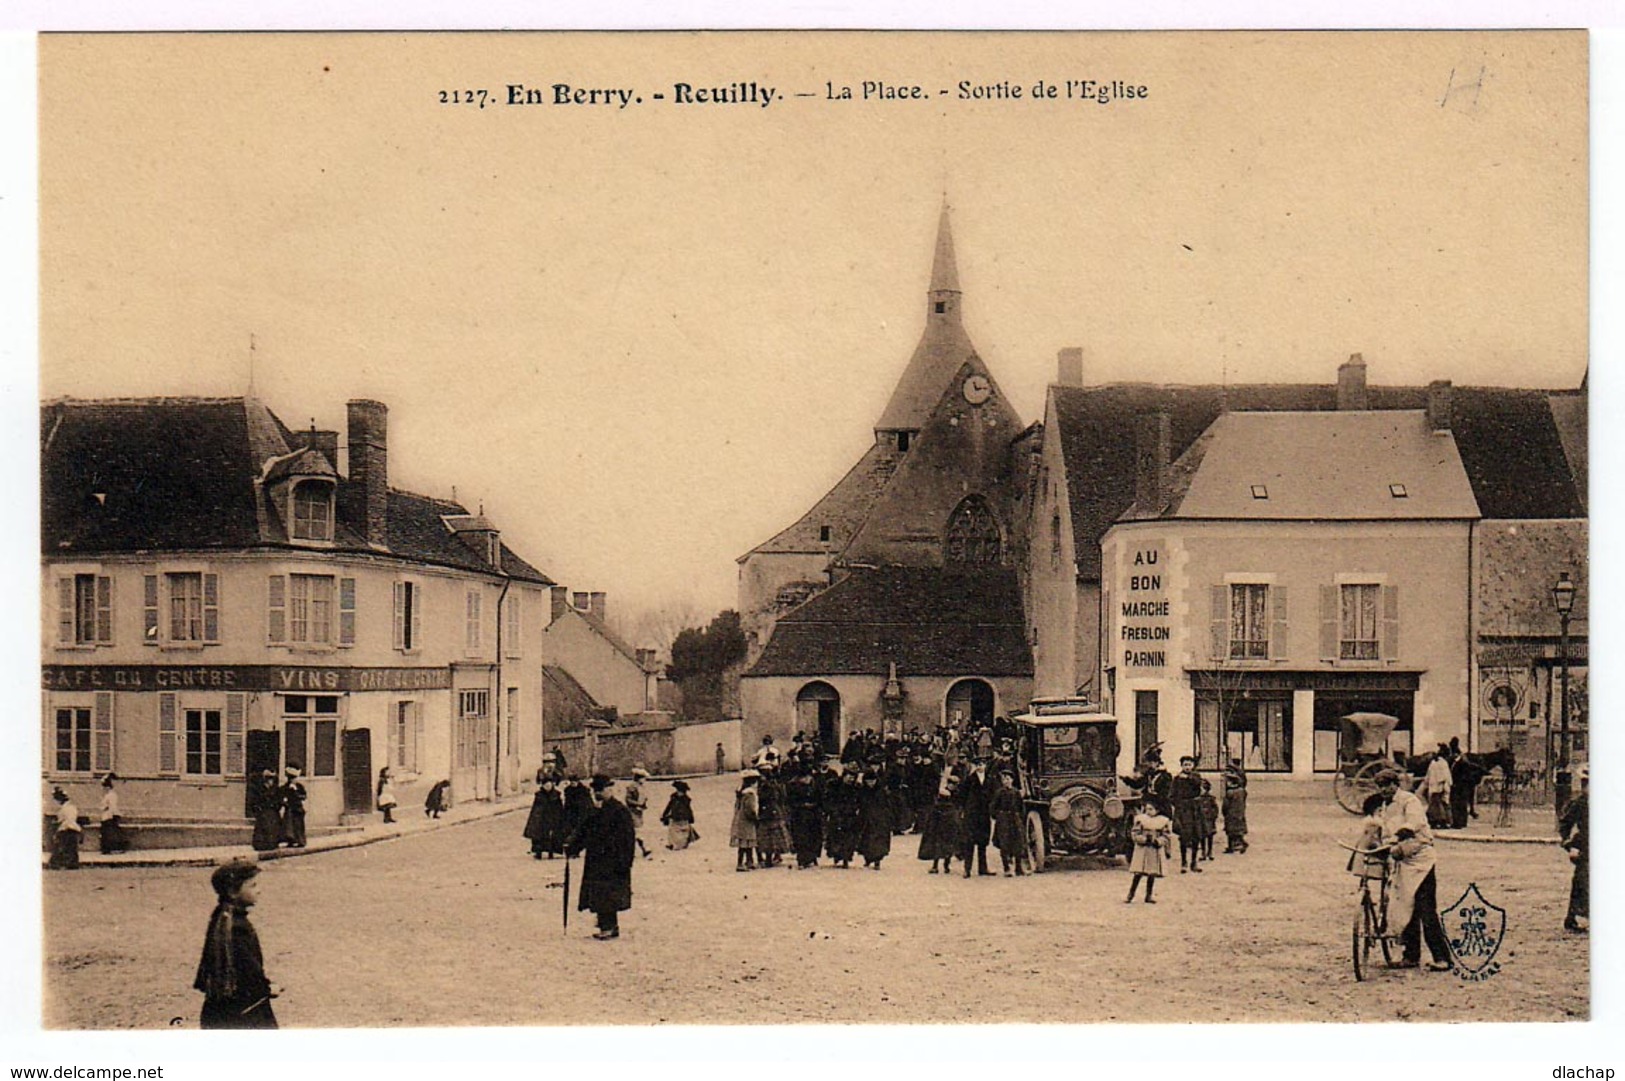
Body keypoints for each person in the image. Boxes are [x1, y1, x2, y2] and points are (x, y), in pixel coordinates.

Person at [1375, 769, 1453, 971]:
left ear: (1395, 784)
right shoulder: (1386, 807)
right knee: (1407, 908)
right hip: (1404, 861)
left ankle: (1442, 958)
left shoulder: (1409, 801)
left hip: (1421, 861)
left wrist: (1401, 833)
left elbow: (1415, 822)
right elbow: (1385, 831)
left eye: (1387, 785)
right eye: (1380, 787)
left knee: (1426, 910)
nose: (1384, 790)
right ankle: (1410, 956)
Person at [194, 859, 277, 1028]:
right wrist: (267, 989)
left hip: (219, 1005)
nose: (259, 891)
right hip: (245, 1007)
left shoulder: (221, 917)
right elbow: (249, 968)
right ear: (233, 892)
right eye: (252, 886)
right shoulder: (238, 927)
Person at [564, 775, 636, 941]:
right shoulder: (594, 811)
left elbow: (628, 839)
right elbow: (584, 832)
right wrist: (572, 846)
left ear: (609, 789)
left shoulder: (619, 811)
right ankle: (607, 925)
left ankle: (609, 927)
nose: (599, 793)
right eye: (596, 790)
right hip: (596, 860)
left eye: (602, 790)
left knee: (608, 895)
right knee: (598, 894)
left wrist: (625, 862)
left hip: (613, 861)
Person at [917, 764, 963, 874]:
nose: (952, 786)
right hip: (940, 822)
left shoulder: (957, 794)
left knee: (949, 844)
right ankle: (935, 866)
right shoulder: (943, 793)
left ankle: (946, 865)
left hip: (951, 822)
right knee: (938, 844)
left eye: (954, 784)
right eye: (951, 784)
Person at [1126, 796, 1172, 903]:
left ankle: (1149, 895)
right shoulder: (1140, 820)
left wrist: (1158, 841)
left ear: (1157, 810)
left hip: (1154, 849)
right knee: (1138, 873)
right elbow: (1135, 833)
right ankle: (1131, 894)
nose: (1148, 812)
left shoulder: (1162, 821)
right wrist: (1143, 839)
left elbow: (1166, 836)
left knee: (1152, 874)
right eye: (1147, 809)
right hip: (1142, 849)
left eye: (1151, 809)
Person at [1558, 766, 1588, 933]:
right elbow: (1565, 823)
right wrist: (1569, 844)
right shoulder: (1580, 803)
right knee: (1581, 881)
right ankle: (1572, 917)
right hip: (1585, 847)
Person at [957, 758, 994, 877]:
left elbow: (994, 795)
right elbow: (962, 795)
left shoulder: (990, 779)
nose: (980, 767)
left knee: (983, 842)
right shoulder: (970, 779)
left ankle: (983, 868)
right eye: (977, 765)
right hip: (972, 814)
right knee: (970, 842)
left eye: (982, 764)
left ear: (985, 766)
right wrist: (962, 809)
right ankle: (967, 869)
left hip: (984, 814)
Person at [1168, 756, 1204, 873]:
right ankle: (1184, 862)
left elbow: (1198, 786)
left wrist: (1188, 778)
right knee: (1183, 836)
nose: (1187, 767)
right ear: (1181, 766)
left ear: (1193, 766)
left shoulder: (1196, 777)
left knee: (1196, 836)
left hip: (1195, 810)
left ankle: (1194, 862)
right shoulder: (1177, 779)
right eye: (1185, 765)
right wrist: (1179, 805)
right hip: (1183, 811)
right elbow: (1171, 796)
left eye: (1189, 764)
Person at [989, 770, 1029, 876]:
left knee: (1018, 844)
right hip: (1003, 821)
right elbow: (993, 807)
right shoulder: (999, 792)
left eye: (1008, 779)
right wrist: (999, 816)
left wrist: (1019, 818)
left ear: (1012, 780)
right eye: (1004, 779)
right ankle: (1006, 868)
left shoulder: (1016, 792)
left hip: (1015, 820)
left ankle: (1018, 868)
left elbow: (1021, 807)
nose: (1006, 781)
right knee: (1004, 844)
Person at [786, 765, 824, 868]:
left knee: (813, 836)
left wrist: (815, 805)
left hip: (813, 814)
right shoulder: (793, 785)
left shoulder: (814, 784)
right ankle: (802, 860)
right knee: (801, 837)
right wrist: (802, 805)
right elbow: (790, 801)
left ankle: (812, 857)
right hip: (800, 815)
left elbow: (820, 798)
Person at [755, 761, 791, 868]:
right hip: (771, 812)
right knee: (769, 835)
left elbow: (778, 798)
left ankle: (770, 857)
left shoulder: (769, 786)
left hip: (770, 812)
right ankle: (771, 856)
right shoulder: (772, 784)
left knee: (769, 836)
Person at [823, 768, 862, 868]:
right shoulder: (834, 785)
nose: (851, 779)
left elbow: (859, 800)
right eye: (849, 776)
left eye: (853, 777)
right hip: (836, 814)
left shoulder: (856, 787)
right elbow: (828, 799)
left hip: (850, 815)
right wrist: (831, 810)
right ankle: (837, 855)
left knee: (849, 838)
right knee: (836, 837)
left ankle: (846, 858)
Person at [856, 770, 892, 870]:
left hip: (880, 819)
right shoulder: (862, 791)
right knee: (866, 840)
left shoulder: (882, 791)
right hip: (866, 819)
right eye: (868, 781)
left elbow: (887, 805)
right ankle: (867, 859)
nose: (871, 783)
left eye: (873, 781)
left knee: (878, 841)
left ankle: (877, 861)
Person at [523, 774, 565, 859]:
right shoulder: (539, 795)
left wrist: (560, 818)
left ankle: (551, 852)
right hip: (542, 819)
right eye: (546, 785)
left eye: (549, 785)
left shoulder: (556, 795)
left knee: (553, 836)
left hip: (553, 817)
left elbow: (559, 807)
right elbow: (535, 808)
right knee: (539, 836)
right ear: (543, 785)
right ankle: (538, 852)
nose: (548, 787)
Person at [730, 770, 760, 871]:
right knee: (746, 843)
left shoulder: (741, 792)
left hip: (740, 819)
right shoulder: (750, 794)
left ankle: (749, 861)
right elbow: (750, 809)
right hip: (747, 821)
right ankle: (741, 863)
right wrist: (755, 818)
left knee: (745, 843)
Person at [47, 788, 82, 870]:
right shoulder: (72, 807)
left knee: (60, 847)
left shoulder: (64, 809)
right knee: (72, 848)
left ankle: (55, 864)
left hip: (66, 829)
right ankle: (72, 864)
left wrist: (58, 830)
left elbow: (65, 821)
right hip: (73, 829)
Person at [623, 768, 654, 859]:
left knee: (635, 832)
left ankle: (634, 850)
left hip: (638, 811)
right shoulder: (632, 787)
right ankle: (644, 849)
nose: (644, 780)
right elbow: (628, 799)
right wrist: (638, 804)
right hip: (632, 811)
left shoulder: (640, 787)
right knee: (637, 831)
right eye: (643, 778)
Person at [1221, 757, 1249, 854]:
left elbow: (1225, 805)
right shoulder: (1242, 791)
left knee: (1230, 831)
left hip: (1231, 814)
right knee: (1238, 830)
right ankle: (1239, 844)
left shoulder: (1230, 792)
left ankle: (1232, 846)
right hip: (1239, 813)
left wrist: (1224, 812)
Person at [660, 780, 697, 850]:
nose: (679, 793)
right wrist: (665, 814)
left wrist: (691, 817)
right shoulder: (673, 798)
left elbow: (689, 809)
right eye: (679, 791)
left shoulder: (686, 800)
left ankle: (683, 844)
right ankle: (672, 844)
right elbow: (669, 806)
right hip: (675, 817)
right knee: (672, 831)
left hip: (683, 817)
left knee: (684, 831)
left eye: (681, 792)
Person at [250, 769, 282, 851]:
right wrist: (258, 808)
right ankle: (261, 844)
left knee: (273, 827)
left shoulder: (275, 789)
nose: (270, 781)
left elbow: (279, 799)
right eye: (268, 779)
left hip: (272, 811)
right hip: (263, 811)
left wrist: (276, 806)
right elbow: (255, 800)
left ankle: (272, 844)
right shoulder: (260, 788)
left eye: (272, 779)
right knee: (263, 827)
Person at [1422, 745, 1453, 829]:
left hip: (1434, 787)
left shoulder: (1434, 763)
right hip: (1440, 787)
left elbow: (1428, 776)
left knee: (1435, 805)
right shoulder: (1443, 763)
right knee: (1440, 805)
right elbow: (1445, 777)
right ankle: (1442, 821)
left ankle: (1436, 821)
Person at [98, 773, 129, 855]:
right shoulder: (108, 795)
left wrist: (116, 814)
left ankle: (112, 848)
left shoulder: (111, 795)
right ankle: (108, 849)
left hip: (109, 816)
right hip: (106, 816)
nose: (103, 789)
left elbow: (112, 807)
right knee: (107, 833)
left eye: (104, 787)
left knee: (110, 833)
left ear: (108, 787)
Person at [278, 767, 307, 848]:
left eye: (294, 778)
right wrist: (284, 802)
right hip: (290, 809)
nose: (294, 780)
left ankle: (300, 841)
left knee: (298, 825)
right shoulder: (285, 787)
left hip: (298, 809)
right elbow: (281, 797)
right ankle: (291, 841)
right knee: (289, 826)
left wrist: (296, 792)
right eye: (292, 778)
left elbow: (304, 796)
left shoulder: (299, 786)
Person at [561, 774, 594, 841]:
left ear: (578, 781)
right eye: (572, 782)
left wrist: (590, 810)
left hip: (581, 811)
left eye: (574, 781)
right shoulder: (568, 790)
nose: (573, 783)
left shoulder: (584, 790)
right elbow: (567, 803)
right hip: (571, 813)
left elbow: (589, 802)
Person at [1198, 778, 1219, 861]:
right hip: (1201, 820)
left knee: (1210, 837)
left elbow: (1215, 808)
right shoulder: (1198, 799)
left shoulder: (1211, 798)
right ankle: (1203, 852)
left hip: (1209, 820)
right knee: (1202, 837)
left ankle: (1210, 852)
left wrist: (1213, 816)